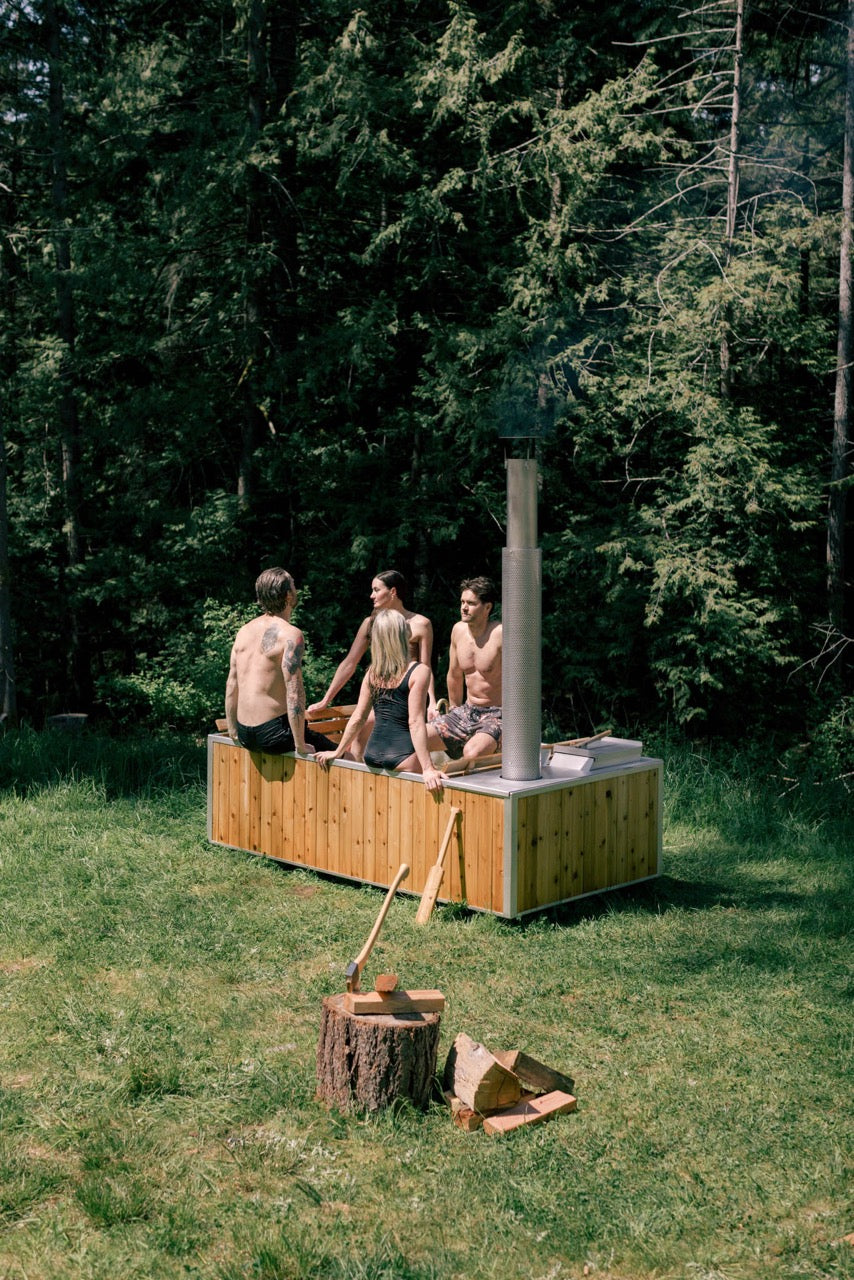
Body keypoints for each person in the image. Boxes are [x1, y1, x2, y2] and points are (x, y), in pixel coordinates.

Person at [307, 569, 437, 756]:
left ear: (392, 592)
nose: (371, 595)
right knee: (364, 724)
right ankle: (357, 769)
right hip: (381, 691)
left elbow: (426, 666)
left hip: (408, 693)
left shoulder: (421, 624)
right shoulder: (371, 623)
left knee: (369, 722)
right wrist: (326, 699)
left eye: (376, 590)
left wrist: (431, 702)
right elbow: (349, 663)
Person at [315, 610, 448, 792]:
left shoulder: (372, 672)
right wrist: (428, 768)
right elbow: (415, 721)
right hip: (404, 756)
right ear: (402, 634)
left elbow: (358, 717)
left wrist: (338, 751)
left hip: (372, 755)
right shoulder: (419, 671)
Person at [225, 567, 337, 755]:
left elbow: (232, 683)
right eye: (293, 585)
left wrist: (233, 730)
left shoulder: (244, 631)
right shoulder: (291, 634)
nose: (296, 589)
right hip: (274, 735)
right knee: (345, 756)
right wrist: (300, 744)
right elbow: (294, 692)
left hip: (244, 733)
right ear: (287, 595)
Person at [426, 576, 502, 761]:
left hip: (498, 714)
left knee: (472, 753)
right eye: (462, 602)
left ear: (487, 607)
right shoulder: (458, 631)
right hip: (467, 711)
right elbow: (454, 675)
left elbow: (522, 681)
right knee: (415, 738)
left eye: (471, 603)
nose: (464, 607)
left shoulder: (501, 634)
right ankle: (429, 780)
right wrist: (453, 709)